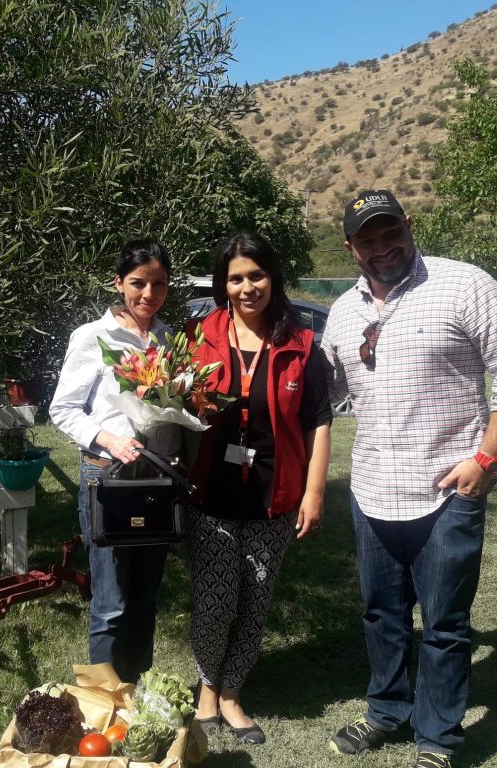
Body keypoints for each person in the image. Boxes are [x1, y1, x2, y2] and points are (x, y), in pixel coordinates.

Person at [321, 190, 497, 768]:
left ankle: (437, 736)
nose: (381, 247)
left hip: (449, 491)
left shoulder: (465, 285)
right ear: (350, 248)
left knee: (444, 623)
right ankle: (386, 711)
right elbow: (332, 393)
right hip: (372, 491)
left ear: (409, 226)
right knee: (380, 614)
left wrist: (486, 461)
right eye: (366, 239)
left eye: (389, 232)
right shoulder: (344, 311)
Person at [186, 231, 332, 745]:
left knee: (255, 599)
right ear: (222, 284)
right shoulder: (198, 337)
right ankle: (206, 687)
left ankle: (231, 692)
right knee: (215, 599)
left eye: (256, 275)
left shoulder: (303, 344)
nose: (247, 287)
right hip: (212, 493)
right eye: (235, 278)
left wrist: (315, 493)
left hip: (276, 495)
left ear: (273, 277)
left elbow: (318, 421)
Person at [48, 238, 175, 683]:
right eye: (138, 283)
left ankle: (137, 690)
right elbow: (62, 410)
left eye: (159, 284)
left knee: (146, 596)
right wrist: (108, 440)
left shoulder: (166, 337)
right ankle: (104, 698)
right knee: (111, 602)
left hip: (156, 480)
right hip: (108, 476)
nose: (148, 295)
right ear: (119, 283)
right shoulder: (92, 336)